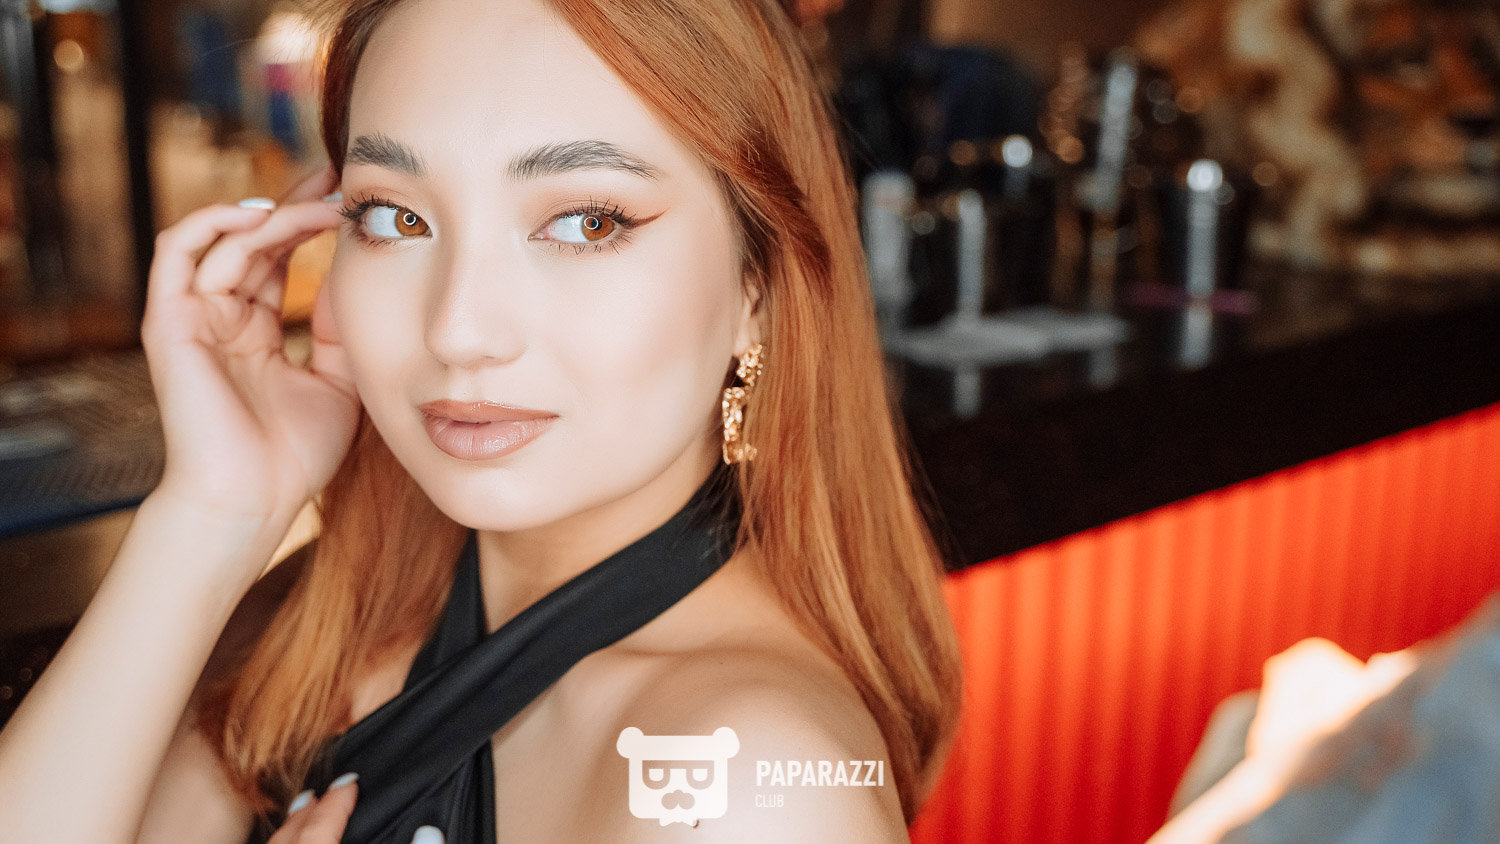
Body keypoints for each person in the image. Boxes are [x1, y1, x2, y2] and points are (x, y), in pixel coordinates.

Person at [0, 0, 962, 841]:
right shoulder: (332, 613)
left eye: (587, 221)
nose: (458, 330)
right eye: (395, 218)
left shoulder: (741, 785)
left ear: (759, 282)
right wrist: (214, 510)